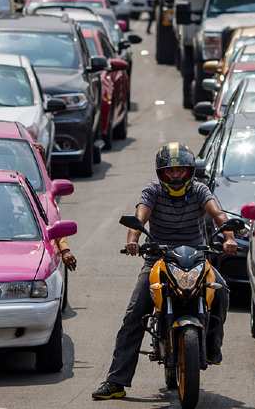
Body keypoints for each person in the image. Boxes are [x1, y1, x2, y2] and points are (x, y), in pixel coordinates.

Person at [91, 143, 237, 401]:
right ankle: (116, 382)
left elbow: (219, 214)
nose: (176, 176)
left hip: (196, 256)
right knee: (134, 314)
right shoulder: (153, 191)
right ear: (161, 173)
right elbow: (140, 216)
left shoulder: (200, 190)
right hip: (158, 258)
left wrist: (229, 237)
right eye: (170, 171)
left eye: (181, 170)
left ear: (190, 171)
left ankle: (213, 346)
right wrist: (133, 239)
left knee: (222, 291)